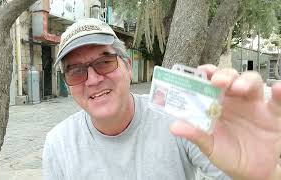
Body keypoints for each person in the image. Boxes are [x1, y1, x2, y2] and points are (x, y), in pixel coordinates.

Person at [42, 18, 281, 180]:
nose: (92, 79)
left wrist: (263, 173)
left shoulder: (177, 120)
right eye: (76, 71)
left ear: (127, 66)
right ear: (67, 83)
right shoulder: (59, 143)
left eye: (104, 62)